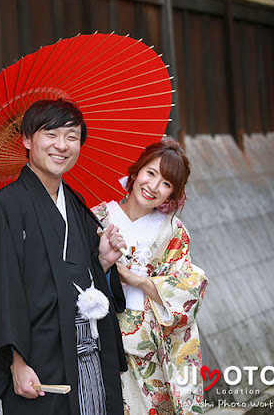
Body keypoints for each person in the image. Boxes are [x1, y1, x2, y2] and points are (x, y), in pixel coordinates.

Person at [0, 98, 128, 415]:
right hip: (39, 358)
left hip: (88, 350)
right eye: (51, 134)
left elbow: (84, 278)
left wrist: (105, 263)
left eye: (72, 136)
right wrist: (17, 362)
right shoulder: (5, 207)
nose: (62, 145)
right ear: (27, 139)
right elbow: (0, 291)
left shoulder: (76, 203)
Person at [91, 139, 208, 414]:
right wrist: (103, 265)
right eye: (151, 173)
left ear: (172, 195)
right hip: (100, 342)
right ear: (136, 171)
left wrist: (140, 280)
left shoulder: (173, 233)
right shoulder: (97, 218)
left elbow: (189, 290)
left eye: (166, 183)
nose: (154, 186)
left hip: (149, 353)